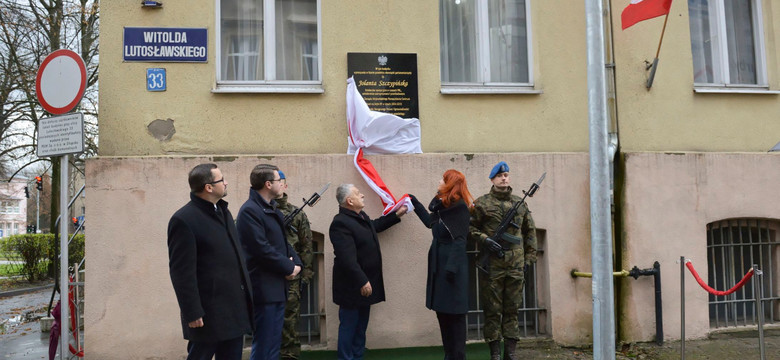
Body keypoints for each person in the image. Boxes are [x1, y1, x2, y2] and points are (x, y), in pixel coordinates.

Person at [167, 163, 253, 360]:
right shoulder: (184, 219)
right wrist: (192, 312)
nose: (226, 182)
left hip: (233, 308)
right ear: (209, 187)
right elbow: (181, 272)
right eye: (221, 179)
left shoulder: (224, 212)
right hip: (207, 313)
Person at [329, 184, 408, 360]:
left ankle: (357, 357)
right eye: (358, 194)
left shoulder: (360, 217)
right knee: (349, 327)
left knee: (360, 328)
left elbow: (374, 226)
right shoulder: (340, 223)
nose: (362, 195)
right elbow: (347, 258)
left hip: (365, 285)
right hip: (353, 286)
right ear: (349, 201)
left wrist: (396, 215)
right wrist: (362, 281)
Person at [469, 161, 537, 360]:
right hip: (493, 265)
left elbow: (529, 232)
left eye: (506, 175)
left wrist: (530, 258)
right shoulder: (482, 203)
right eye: (500, 176)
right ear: (492, 179)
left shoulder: (520, 203)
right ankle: (495, 354)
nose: (504, 178)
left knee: (512, 309)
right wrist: (486, 240)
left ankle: (511, 353)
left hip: (516, 265)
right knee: (492, 310)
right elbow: (471, 229)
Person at [236, 164, 303, 360]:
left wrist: (296, 264)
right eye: (278, 181)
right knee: (264, 344)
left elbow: (284, 243)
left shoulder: (270, 208)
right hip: (264, 288)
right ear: (267, 184)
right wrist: (289, 266)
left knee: (274, 344)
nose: (282, 184)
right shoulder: (250, 211)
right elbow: (262, 250)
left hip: (276, 286)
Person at [409, 169, 473, 360]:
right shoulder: (443, 207)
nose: (439, 181)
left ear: (449, 184)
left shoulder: (460, 208)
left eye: (442, 179)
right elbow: (431, 224)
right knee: (443, 316)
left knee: (455, 319)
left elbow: (460, 240)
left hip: (451, 273)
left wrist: (450, 270)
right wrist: (415, 203)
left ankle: (457, 356)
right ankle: (449, 356)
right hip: (440, 267)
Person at [275, 170, 314, 360]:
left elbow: (306, 247)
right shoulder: (258, 212)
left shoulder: (296, 214)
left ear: (285, 185)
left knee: (289, 322)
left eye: (280, 182)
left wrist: (305, 276)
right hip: (269, 276)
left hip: (293, 277)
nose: (277, 185)